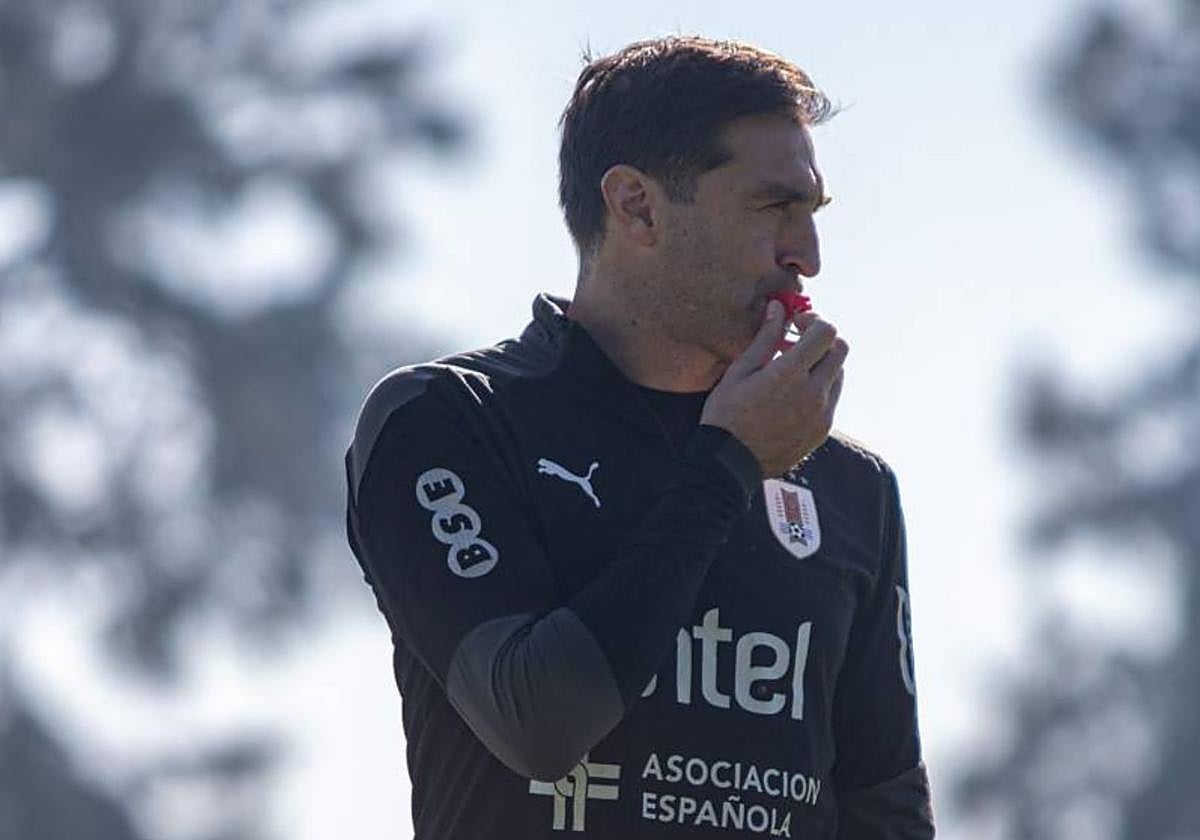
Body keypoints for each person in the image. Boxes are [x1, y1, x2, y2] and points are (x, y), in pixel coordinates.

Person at [345, 35, 934, 839]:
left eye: (812, 213)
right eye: (774, 208)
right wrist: (728, 465)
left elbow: (886, 812)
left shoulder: (849, 487)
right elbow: (539, 721)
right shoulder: (446, 420)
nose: (808, 256)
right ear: (637, 207)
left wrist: (735, 456)